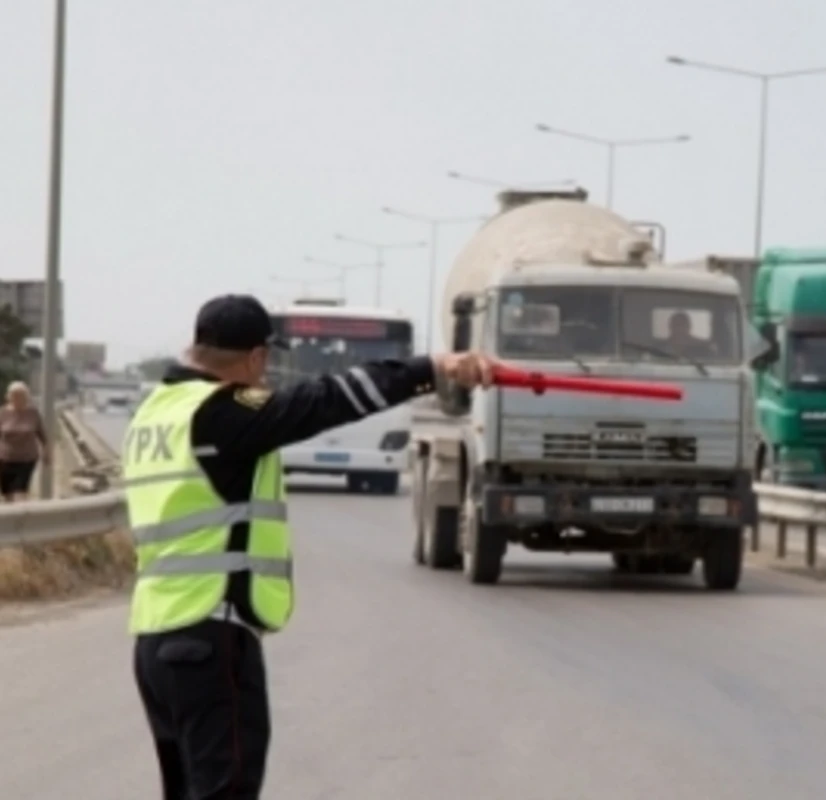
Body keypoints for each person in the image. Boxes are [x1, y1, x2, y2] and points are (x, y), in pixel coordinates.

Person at [123, 294, 494, 799]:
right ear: (255, 357)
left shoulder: (153, 413)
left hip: (154, 642)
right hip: (210, 634)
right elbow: (327, 398)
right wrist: (431, 367)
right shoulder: (221, 412)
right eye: (266, 363)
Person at [0, 380, 49, 502]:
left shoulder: (33, 413)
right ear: (9, 397)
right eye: (14, 396)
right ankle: (12, 518)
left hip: (27, 459)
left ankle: (21, 517)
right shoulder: (2, 413)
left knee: (20, 492)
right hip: (5, 459)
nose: (17, 399)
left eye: (21, 396)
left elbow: (42, 435)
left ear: (26, 397)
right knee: (7, 493)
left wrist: (47, 452)